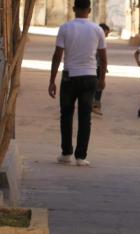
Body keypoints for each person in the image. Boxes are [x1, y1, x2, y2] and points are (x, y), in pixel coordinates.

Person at [48, 0, 106, 167]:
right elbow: (102, 57)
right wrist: (102, 78)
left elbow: (57, 55)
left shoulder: (65, 28)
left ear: (74, 9)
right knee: (85, 117)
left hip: (69, 77)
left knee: (66, 115)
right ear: (89, 10)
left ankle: (66, 153)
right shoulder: (98, 30)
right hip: (89, 77)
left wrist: (52, 80)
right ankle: (80, 156)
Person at [92, 23, 110, 115]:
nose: (106, 36)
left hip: (98, 66)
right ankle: (94, 105)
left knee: (98, 86)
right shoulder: (94, 41)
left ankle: (95, 105)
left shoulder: (100, 41)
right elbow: (102, 58)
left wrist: (104, 67)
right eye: (105, 34)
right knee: (96, 85)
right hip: (93, 67)